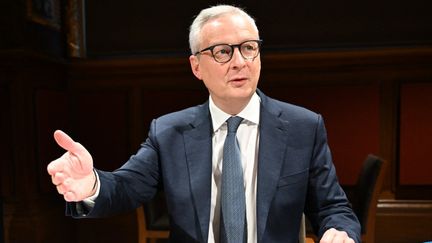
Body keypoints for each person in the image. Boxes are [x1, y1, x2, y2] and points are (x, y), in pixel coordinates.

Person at [47, 4, 361, 243]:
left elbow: (333, 208)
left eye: (249, 48)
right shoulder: (168, 131)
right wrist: (90, 184)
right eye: (223, 52)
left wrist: (339, 232)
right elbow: (127, 187)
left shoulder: (303, 126)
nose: (240, 61)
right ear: (196, 66)